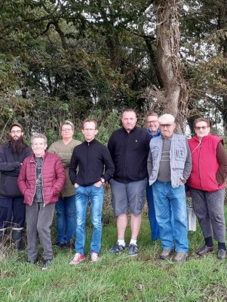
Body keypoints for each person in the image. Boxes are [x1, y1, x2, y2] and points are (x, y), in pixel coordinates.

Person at [68, 119, 115, 265]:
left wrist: (102, 180)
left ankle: (95, 251)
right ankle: (80, 252)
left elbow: (111, 168)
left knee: (96, 221)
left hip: (96, 189)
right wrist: (74, 182)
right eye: (86, 129)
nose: (88, 132)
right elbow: (71, 168)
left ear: (96, 131)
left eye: (91, 129)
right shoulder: (78, 149)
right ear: (82, 131)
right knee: (80, 222)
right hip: (80, 189)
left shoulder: (101, 148)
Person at [147, 114, 192, 262]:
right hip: (158, 185)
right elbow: (149, 162)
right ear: (160, 126)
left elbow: (188, 162)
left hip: (176, 186)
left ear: (173, 125)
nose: (166, 128)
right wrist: (152, 177)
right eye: (163, 125)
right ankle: (167, 246)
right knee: (162, 218)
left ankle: (182, 248)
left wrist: (183, 179)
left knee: (180, 217)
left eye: (168, 125)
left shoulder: (182, 140)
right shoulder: (153, 142)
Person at [18, 134, 65, 270]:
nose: (38, 146)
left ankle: (48, 257)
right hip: (31, 200)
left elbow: (61, 177)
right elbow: (21, 180)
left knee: (42, 227)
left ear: (45, 146)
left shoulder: (54, 159)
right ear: (32, 146)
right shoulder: (27, 161)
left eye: (40, 144)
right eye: (35, 144)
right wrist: (26, 192)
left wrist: (53, 191)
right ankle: (32, 258)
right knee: (31, 229)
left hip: (47, 200)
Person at [107, 109, 151, 256]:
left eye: (131, 119)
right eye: (126, 119)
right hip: (118, 181)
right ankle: (120, 242)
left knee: (136, 211)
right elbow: (109, 158)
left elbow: (151, 157)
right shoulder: (115, 135)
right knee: (120, 212)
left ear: (136, 120)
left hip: (137, 180)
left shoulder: (144, 135)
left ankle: (133, 242)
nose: (129, 121)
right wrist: (110, 176)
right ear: (122, 119)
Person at [188, 118, 227, 260]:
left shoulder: (215, 142)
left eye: (204, 127)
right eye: (198, 127)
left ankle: (222, 246)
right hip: (196, 188)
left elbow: (225, 164)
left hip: (214, 188)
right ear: (194, 129)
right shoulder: (190, 144)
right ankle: (208, 243)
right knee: (201, 214)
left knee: (216, 215)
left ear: (209, 128)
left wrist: (217, 181)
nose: (201, 130)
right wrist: (188, 185)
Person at [0, 123, 33, 249]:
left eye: (18, 131)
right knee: (3, 220)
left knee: (19, 220)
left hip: (21, 193)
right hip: (4, 193)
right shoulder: (2, 149)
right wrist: (17, 165)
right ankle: (0, 248)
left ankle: (17, 247)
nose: (15, 134)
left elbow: (27, 170)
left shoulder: (28, 150)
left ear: (22, 134)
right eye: (13, 131)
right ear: (10, 134)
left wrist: (9, 167)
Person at [48, 121, 81, 249]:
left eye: (68, 129)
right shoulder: (55, 145)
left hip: (73, 184)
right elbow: (50, 159)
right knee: (60, 214)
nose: (66, 131)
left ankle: (70, 240)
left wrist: (60, 160)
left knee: (71, 213)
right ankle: (61, 240)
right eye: (64, 129)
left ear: (73, 131)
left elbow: (77, 160)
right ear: (61, 132)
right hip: (56, 185)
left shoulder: (78, 144)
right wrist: (68, 160)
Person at [145, 112, 161, 241]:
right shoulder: (142, 136)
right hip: (148, 178)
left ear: (159, 122)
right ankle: (156, 235)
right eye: (150, 121)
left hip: (164, 177)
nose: (152, 124)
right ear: (147, 123)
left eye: (154, 121)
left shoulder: (166, 135)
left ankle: (169, 234)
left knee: (166, 206)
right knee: (153, 207)